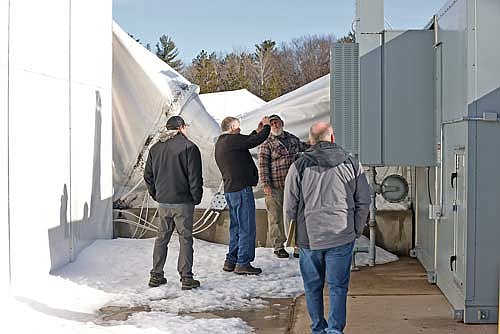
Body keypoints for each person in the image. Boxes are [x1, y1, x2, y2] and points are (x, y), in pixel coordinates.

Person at [283, 122, 370, 334]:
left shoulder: (299, 166)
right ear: (332, 138)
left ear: (311, 140)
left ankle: (317, 329)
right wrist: (356, 230)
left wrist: (291, 237)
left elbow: (289, 206)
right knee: (338, 288)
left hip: (310, 238)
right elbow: (364, 201)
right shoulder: (351, 164)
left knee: (312, 287)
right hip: (341, 236)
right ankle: (335, 330)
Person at [144, 115, 203, 290]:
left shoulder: (155, 149)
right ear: (181, 128)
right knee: (185, 239)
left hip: (164, 202)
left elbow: (148, 175)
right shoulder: (189, 147)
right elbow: (195, 177)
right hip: (183, 202)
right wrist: (196, 197)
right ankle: (186, 277)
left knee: (161, 238)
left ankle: (156, 274)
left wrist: (156, 194)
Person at [215, 116, 271, 275]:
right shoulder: (231, 140)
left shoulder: (222, 142)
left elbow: (246, 140)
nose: (240, 130)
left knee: (236, 227)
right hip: (241, 190)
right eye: (238, 127)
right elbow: (254, 141)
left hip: (231, 190)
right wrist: (266, 128)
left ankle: (231, 260)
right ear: (232, 127)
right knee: (246, 226)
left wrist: (257, 130)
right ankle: (243, 262)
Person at [258, 114, 308, 258]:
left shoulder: (292, 139)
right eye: (272, 123)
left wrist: (318, 143)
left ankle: (298, 245)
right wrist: (266, 184)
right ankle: (278, 246)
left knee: (297, 215)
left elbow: (305, 147)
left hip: (294, 186)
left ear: (282, 123)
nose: (275, 125)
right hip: (275, 186)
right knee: (276, 217)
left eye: (277, 122)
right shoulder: (266, 142)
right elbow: (262, 165)